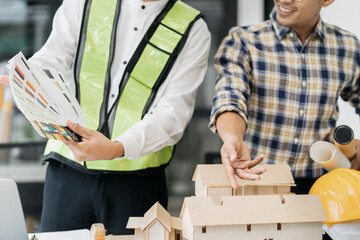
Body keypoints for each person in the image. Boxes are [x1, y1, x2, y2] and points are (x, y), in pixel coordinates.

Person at [0, 0, 210, 235]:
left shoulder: (194, 28)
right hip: (67, 171)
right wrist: (31, 81)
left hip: (137, 183)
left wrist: (116, 148)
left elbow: (173, 114)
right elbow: (52, 58)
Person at [209, 0, 360, 194]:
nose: (284, 0)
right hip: (258, 182)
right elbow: (230, 97)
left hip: (321, 190)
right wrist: (232, 137)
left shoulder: (348, 48)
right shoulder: (243, 41)